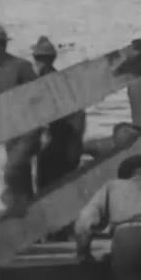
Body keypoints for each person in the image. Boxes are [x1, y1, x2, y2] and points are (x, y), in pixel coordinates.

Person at [32, 36, 88, 196]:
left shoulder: (41, 82)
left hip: (55, 145)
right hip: (69, 144)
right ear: (53, 58)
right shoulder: (62, 80)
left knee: (45, 191)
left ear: (36, 59)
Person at [0, 24, 41, 214]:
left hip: (28, 130)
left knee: (13, 170)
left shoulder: (21, 67)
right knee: (20, 176)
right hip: (9, 131)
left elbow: (40, 99)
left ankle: (19, 212)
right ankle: (27, 217)